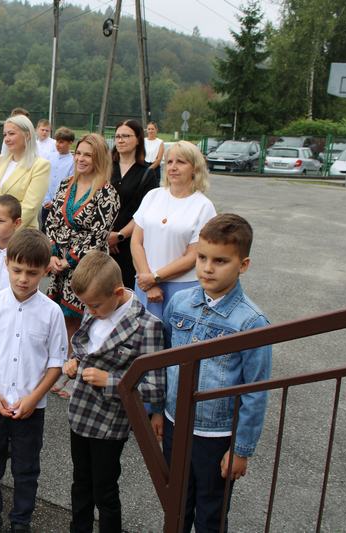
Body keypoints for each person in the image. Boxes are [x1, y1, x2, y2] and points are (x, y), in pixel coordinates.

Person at [151, 213, 272, 533]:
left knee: (211, 514)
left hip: (215, 437)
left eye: (220, 261)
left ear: (243, 265)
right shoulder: (179, 303)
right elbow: (164, 359)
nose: (207, 268)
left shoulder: (251, 322)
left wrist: (241, 450)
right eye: (202, 257)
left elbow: (255, 390)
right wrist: (157, 410)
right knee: (176, 505)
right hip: (176, 423)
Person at [0, 228, 68, 533]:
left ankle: (21, 521)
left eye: (32, 273)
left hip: (30, 408)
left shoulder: (51, 313)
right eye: (17, 270)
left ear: (45, 271)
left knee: (26, 470)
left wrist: (34, 398)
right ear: (7, 264)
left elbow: (56, 363)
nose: (23, 278)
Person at [62, 251, 165, 533]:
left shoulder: (147, 327)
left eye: (94, 305)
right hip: (80, 415)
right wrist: (74, 363)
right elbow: (86, 350)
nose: (89, 310)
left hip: (110, 424)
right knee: (80, 483)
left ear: (118, 292)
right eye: (86, 305)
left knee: (104, 490)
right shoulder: (95, 306)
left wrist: (109, 381)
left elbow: (155, 389)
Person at [45, 133, 120, 353]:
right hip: (59, 265)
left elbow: (98, 235)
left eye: (88, 155)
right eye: (78, 153)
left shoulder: (107, 193)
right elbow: (52, 222)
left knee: (84, 324)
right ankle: (61, 363)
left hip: (88, 267)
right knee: (58, 321)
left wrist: (68, 261)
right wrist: (52, 254)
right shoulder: (65, 184)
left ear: (99, 159)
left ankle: (76, 365)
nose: (81, 158)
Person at [131, 140, 217, 320]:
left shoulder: (204, 206)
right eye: (169, 162)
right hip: (144, 284)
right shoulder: (153, 196)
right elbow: (136, 242)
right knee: (143, 337)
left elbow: (193, 256)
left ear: (195, 168)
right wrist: (148, 279)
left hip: (181, 288)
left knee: (176, 337)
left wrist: (155, 278)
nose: (173, 167)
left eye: (181, 162)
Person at [107, 119, 159, 289]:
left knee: (124, 290)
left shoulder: (147, 174)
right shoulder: (106, 168)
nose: (120, 140)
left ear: (138, 139)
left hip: (130, 245)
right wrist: (105, 235)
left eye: (126, 136)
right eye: (117, 136)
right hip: (101, 242)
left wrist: (119, 235)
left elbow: (145, 212)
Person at [0, 115, 50, 230]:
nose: (6, 139)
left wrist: (3, 231)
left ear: (27, 135)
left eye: (11, 134)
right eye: (5, 135)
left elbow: (30, 208)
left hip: (20, 233)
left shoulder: (40, 166)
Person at [41, 126, 75, 227]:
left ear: (70, 143)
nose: (58, 145)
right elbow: (43, 179)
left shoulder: (73, 162)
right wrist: (46, 199)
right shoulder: (49, 157)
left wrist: (55, 202)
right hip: (45, 203)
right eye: (57, 141)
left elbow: (69, 185)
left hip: (61, 206)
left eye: (61, 142)